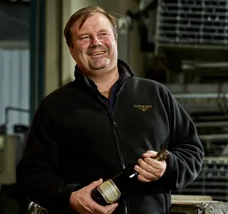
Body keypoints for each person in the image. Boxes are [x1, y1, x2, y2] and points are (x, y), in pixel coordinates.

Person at [17, 5, 204, 214]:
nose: (96, 43)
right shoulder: (55, 106)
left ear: (114, 39)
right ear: (71, 49)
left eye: (103, 34)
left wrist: (168, 166)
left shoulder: (155, 94)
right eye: (84, 37)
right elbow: (31, 174)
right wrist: (69, 196)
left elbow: (192, 149)